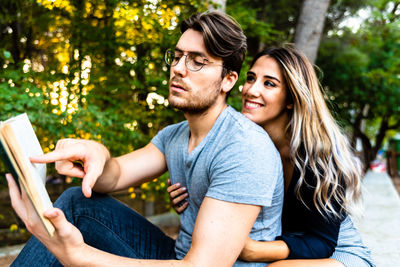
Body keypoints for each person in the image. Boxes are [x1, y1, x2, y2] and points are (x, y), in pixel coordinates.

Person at [7, 11, 284, 267]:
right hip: (178, 256)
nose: (178, 68)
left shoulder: (245, 148)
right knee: (76, 202)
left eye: (197, 62)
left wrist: (80, 255)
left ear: (228, 80)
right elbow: (114, 176)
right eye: (176, 57)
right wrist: (95, 153)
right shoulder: (175, 135)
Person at [168, 46, 375, 266]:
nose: (251, 90)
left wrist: (249, 249)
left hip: (337, 253)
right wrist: (192, 197)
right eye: (250, 78)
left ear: (291, 98)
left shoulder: (317, 156)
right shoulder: (240, 145)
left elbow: (321, 241)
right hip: (285, 249)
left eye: (269, 83)